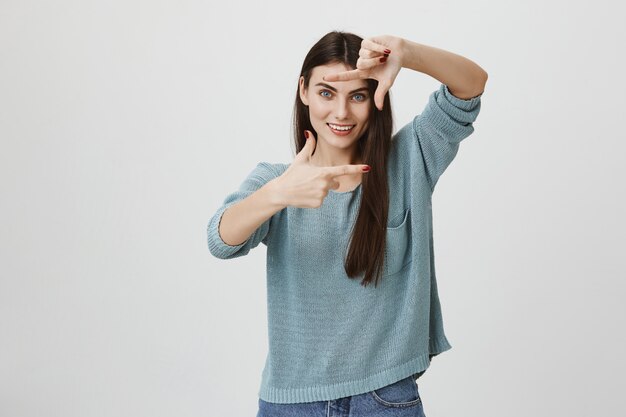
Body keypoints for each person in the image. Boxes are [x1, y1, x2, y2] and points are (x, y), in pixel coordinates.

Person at [207, 31, 487, 417]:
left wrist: (407, 54)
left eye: (357, 96)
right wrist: (278, 194)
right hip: (291, 404)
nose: (341, 113)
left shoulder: (408, 160)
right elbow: (221, 240)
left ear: (376, 98)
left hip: (386, 398)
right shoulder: (276, 181)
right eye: (326, 93)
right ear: (303, 90)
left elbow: (471, 86)